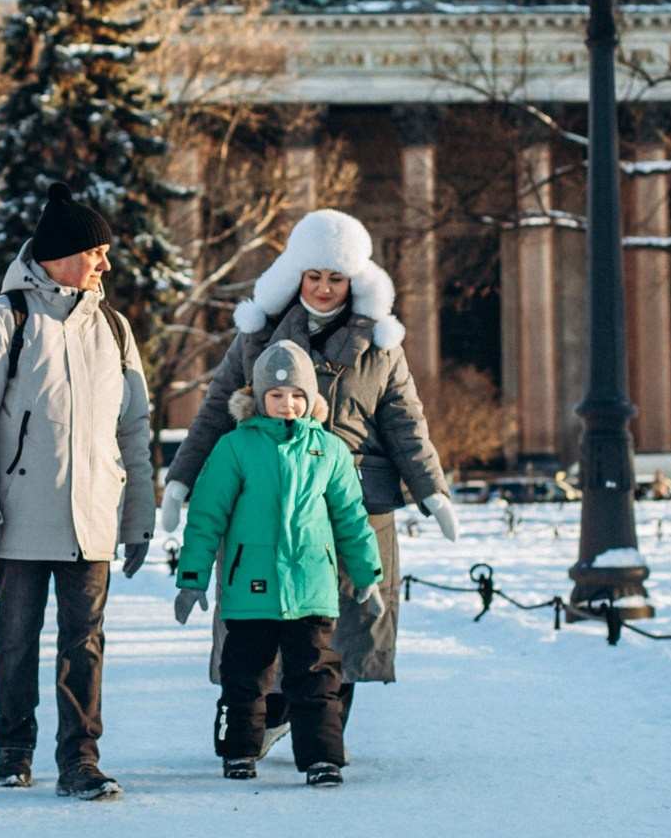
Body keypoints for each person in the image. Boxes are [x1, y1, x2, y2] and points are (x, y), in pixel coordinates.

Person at [161, 209, 455, 743]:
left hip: (353, 502)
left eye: (336, 278)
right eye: (314, 276)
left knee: (348, 624)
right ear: (297, 276)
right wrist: (181, 480)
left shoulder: (380, 345)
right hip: (263, 504)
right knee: (261, 619)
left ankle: (324, 730)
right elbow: (213, 412)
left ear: (353, 280)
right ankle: (265, 714)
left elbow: (406, 421)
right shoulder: (259, 336)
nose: (324, 289)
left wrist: (432, 489)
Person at [0, 184, 155, 802]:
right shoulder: (0, 320)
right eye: (96, 252)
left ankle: (79, 759)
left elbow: (134, 430)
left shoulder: (113, 328)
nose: (105, 265)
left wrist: (137, 519)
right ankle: (13, 747)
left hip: (92, 517)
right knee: (16, 637)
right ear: (61, 254)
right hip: (18, 516)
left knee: (83, 643)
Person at [172, 341, 384, 787]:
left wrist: (367, 574)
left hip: (311, 588)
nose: (287, 405)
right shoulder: (235, 448)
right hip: (251, 588)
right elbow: (207, 516)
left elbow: (350, 517)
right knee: (245, 676)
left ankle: (322, 757)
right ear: (258, 398)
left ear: (311, 399)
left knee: (316, 677)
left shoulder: (329, 450)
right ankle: (239, 752)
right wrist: (191, 578)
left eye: (297, 396)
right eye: (277, 396)